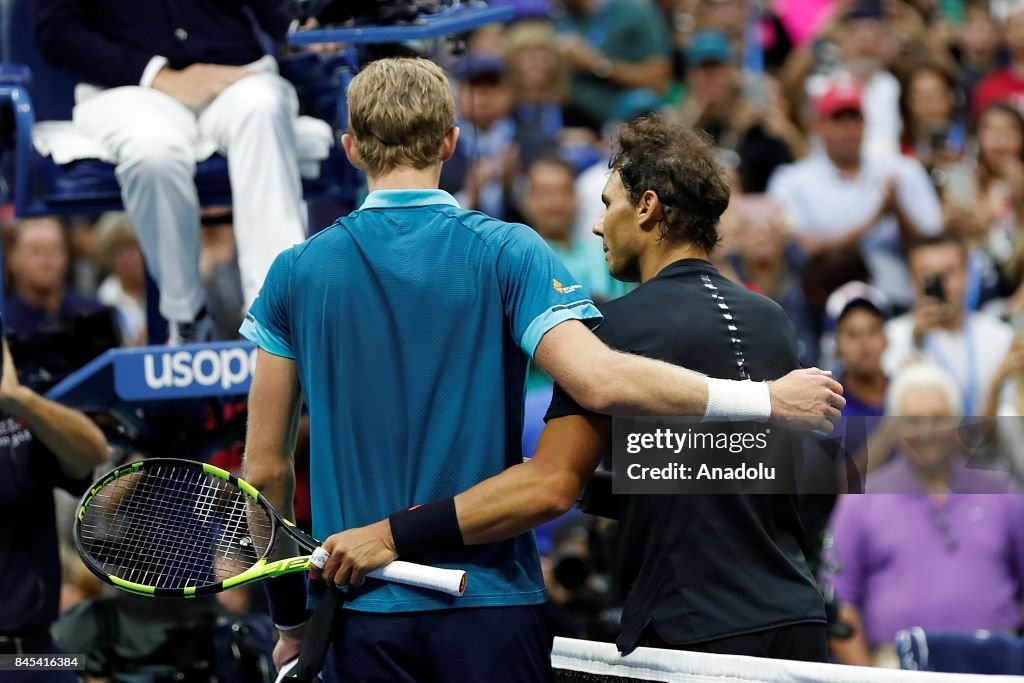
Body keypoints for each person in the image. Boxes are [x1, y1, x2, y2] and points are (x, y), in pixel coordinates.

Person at [241, 58, 843, 682]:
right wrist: (764, 399)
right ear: (450, 140)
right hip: (493, 608)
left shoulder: (293, 272)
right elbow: (600, 383)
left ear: (351, 148)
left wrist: (290, 619)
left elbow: (263, 472)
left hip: (360, 609)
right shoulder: (511, 250)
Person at [33, 0, 309, 343]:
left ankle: (279, 311)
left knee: (263, 109)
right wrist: (156, 75)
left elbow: (277, 8)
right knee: (154, 152)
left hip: (231, 73)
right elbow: (56, 32)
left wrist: (302, 26)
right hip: (125, 86)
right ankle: (188, 315)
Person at [823, 362, 1024, 666]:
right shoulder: (859, 501)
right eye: (913, 420)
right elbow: (838, 603)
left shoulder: (1003, 493)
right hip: (895, 668)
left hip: (994, 663)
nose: (926, 432)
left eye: (938, 418)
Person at [768, 80, 943, 309]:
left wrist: (898, 210)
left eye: (855, 118)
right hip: (825, 303)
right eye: (838, 120)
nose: (848, 128)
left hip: (898, 297)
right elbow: (805, 252)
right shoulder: (792, 180)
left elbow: (934, 243)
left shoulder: (902, 170)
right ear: (819, 126)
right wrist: (874, 218)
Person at [0, 332, 109, 682]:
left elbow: (94, 452)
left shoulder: (19, 406)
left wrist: (19, 399)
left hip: (37, 653)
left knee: (83, 667)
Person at [884, 235, 1014, 416]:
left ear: (967, 276)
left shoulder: (999, 336)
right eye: (928, 276)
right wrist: (914, 342)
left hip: (988, 441)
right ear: (912, 281)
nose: (941, 285)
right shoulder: (890, 338)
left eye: (949, 273)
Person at [553, 0, 672, 126]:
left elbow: (659, 81)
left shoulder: (634, 10)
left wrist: (596, 64)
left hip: (623, 113)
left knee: (642, 102)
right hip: (570, 114)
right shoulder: (556, 16)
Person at [4, 217, 107, 339]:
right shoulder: (4, 322)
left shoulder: (94, 314)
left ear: (66, 256)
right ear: (13, 258)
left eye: (54, 248)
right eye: (35, 250)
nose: (46, 258)